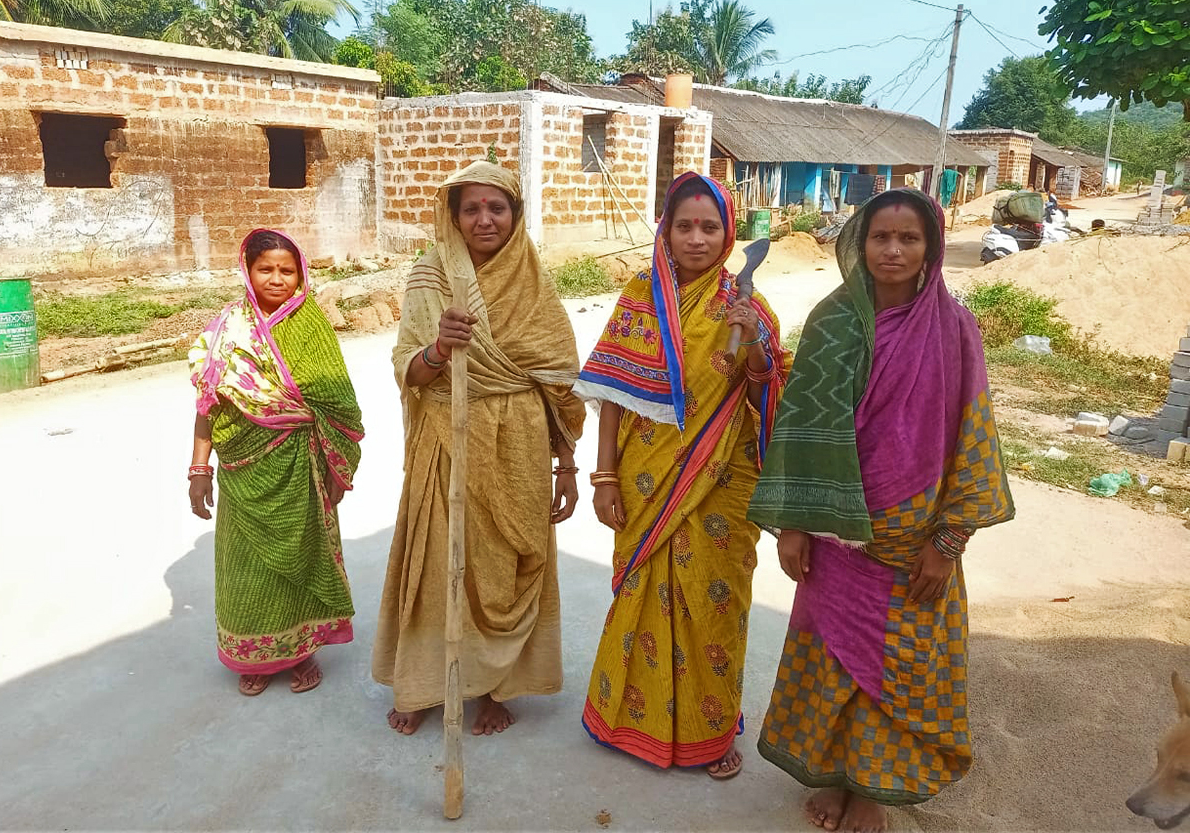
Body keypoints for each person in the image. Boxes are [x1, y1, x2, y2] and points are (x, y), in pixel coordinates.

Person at [747, 188, 1015, 832]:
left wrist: (949, 539)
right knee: (834, 659)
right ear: (859, 244)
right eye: (880, 238)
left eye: (909, 239)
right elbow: (798, 429)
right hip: (836, 535)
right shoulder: (831, 322)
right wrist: (792, 524)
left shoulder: (954, 330)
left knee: (898, 665)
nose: (893, 250)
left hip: (914, 536)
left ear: (931, 248)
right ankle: (836, 776)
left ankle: (873, 788)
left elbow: (972, 434)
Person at [573, 172, 791, 779]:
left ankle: (709, 733)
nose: (696, 239)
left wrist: (752, 342)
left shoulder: (748, 305)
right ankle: (626, 720)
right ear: (665, 230)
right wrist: (605, 476)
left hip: (722, 479)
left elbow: (764, 391)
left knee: (714, 606)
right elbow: (612, 392)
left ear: (728, 234)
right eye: (683, 225)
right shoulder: (640, 296)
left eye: (710, 227)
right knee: (642, 597)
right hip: (645, 477)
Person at [372, 160, 586, 736]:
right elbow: (406, 369)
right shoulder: (431, 272)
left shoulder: (532, 278)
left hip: (520, 442)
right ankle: (421, 683)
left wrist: (566, 465)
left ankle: (496, 687)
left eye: (497, 207)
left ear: (515, 215)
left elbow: (559, 381)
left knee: (504, 569)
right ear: (454, 215)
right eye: (472, 208)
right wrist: (439, 349)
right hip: (446, 437)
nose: (484, 219)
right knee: (438, 565)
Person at [188, 229, 364, 696]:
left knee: (304, 561)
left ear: (300, 272)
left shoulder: (311, 326)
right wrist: (198, 470)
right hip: (242, 470)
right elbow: (209, 403)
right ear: (246, 270)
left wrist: (335, 468)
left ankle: (302, 651)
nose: (277, 279)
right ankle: (255, 656)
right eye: (265, 268)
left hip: (299, 466)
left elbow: (338, 402)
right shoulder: (229, 328)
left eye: (287, 270)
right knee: (245, 567)